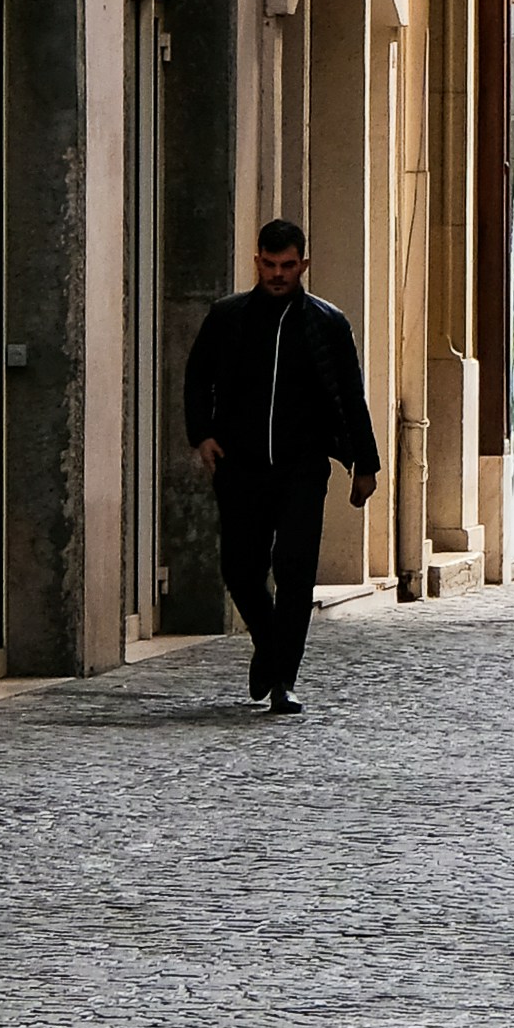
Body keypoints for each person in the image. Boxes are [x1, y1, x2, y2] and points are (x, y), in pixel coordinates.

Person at [185, 220, 378, 715]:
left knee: (295, 573)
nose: (277, 274)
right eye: (269, 265)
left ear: (303, 266)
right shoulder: (228, 317)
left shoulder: (326, 323)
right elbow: (196, 376)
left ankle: (283, 681)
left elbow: (351, 396)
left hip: (302, 467)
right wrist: (201, 434)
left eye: (287, 266)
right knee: (240, 568)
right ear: (257, 263)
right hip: (240, 463)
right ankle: (269, 647)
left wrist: (364, 464)